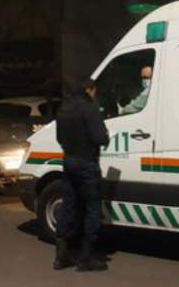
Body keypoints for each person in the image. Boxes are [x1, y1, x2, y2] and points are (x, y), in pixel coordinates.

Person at [54, 80, 110, 272]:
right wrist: (106, 135)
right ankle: (86, 257)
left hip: (69, 161)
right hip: (87, 162)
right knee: (93, 208)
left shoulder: (64, 109)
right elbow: (100, 138)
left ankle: (60, 256)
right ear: (89, 90)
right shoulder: (89, 108)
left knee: (68, 205)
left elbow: (59, 138)